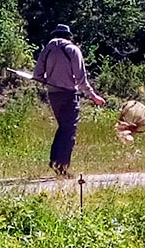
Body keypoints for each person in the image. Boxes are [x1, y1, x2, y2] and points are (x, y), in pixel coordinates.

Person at [31, 24, 105, 177]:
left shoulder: (48, 49)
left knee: (63, 127)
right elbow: (81, 79)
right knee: (69, 130)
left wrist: (50, 79)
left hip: (53, 95)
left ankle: (54, 160)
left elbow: (37, 75)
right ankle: (62, 167)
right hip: (69, 94)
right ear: (69, 36)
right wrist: (93, 96)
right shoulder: (73, 50)